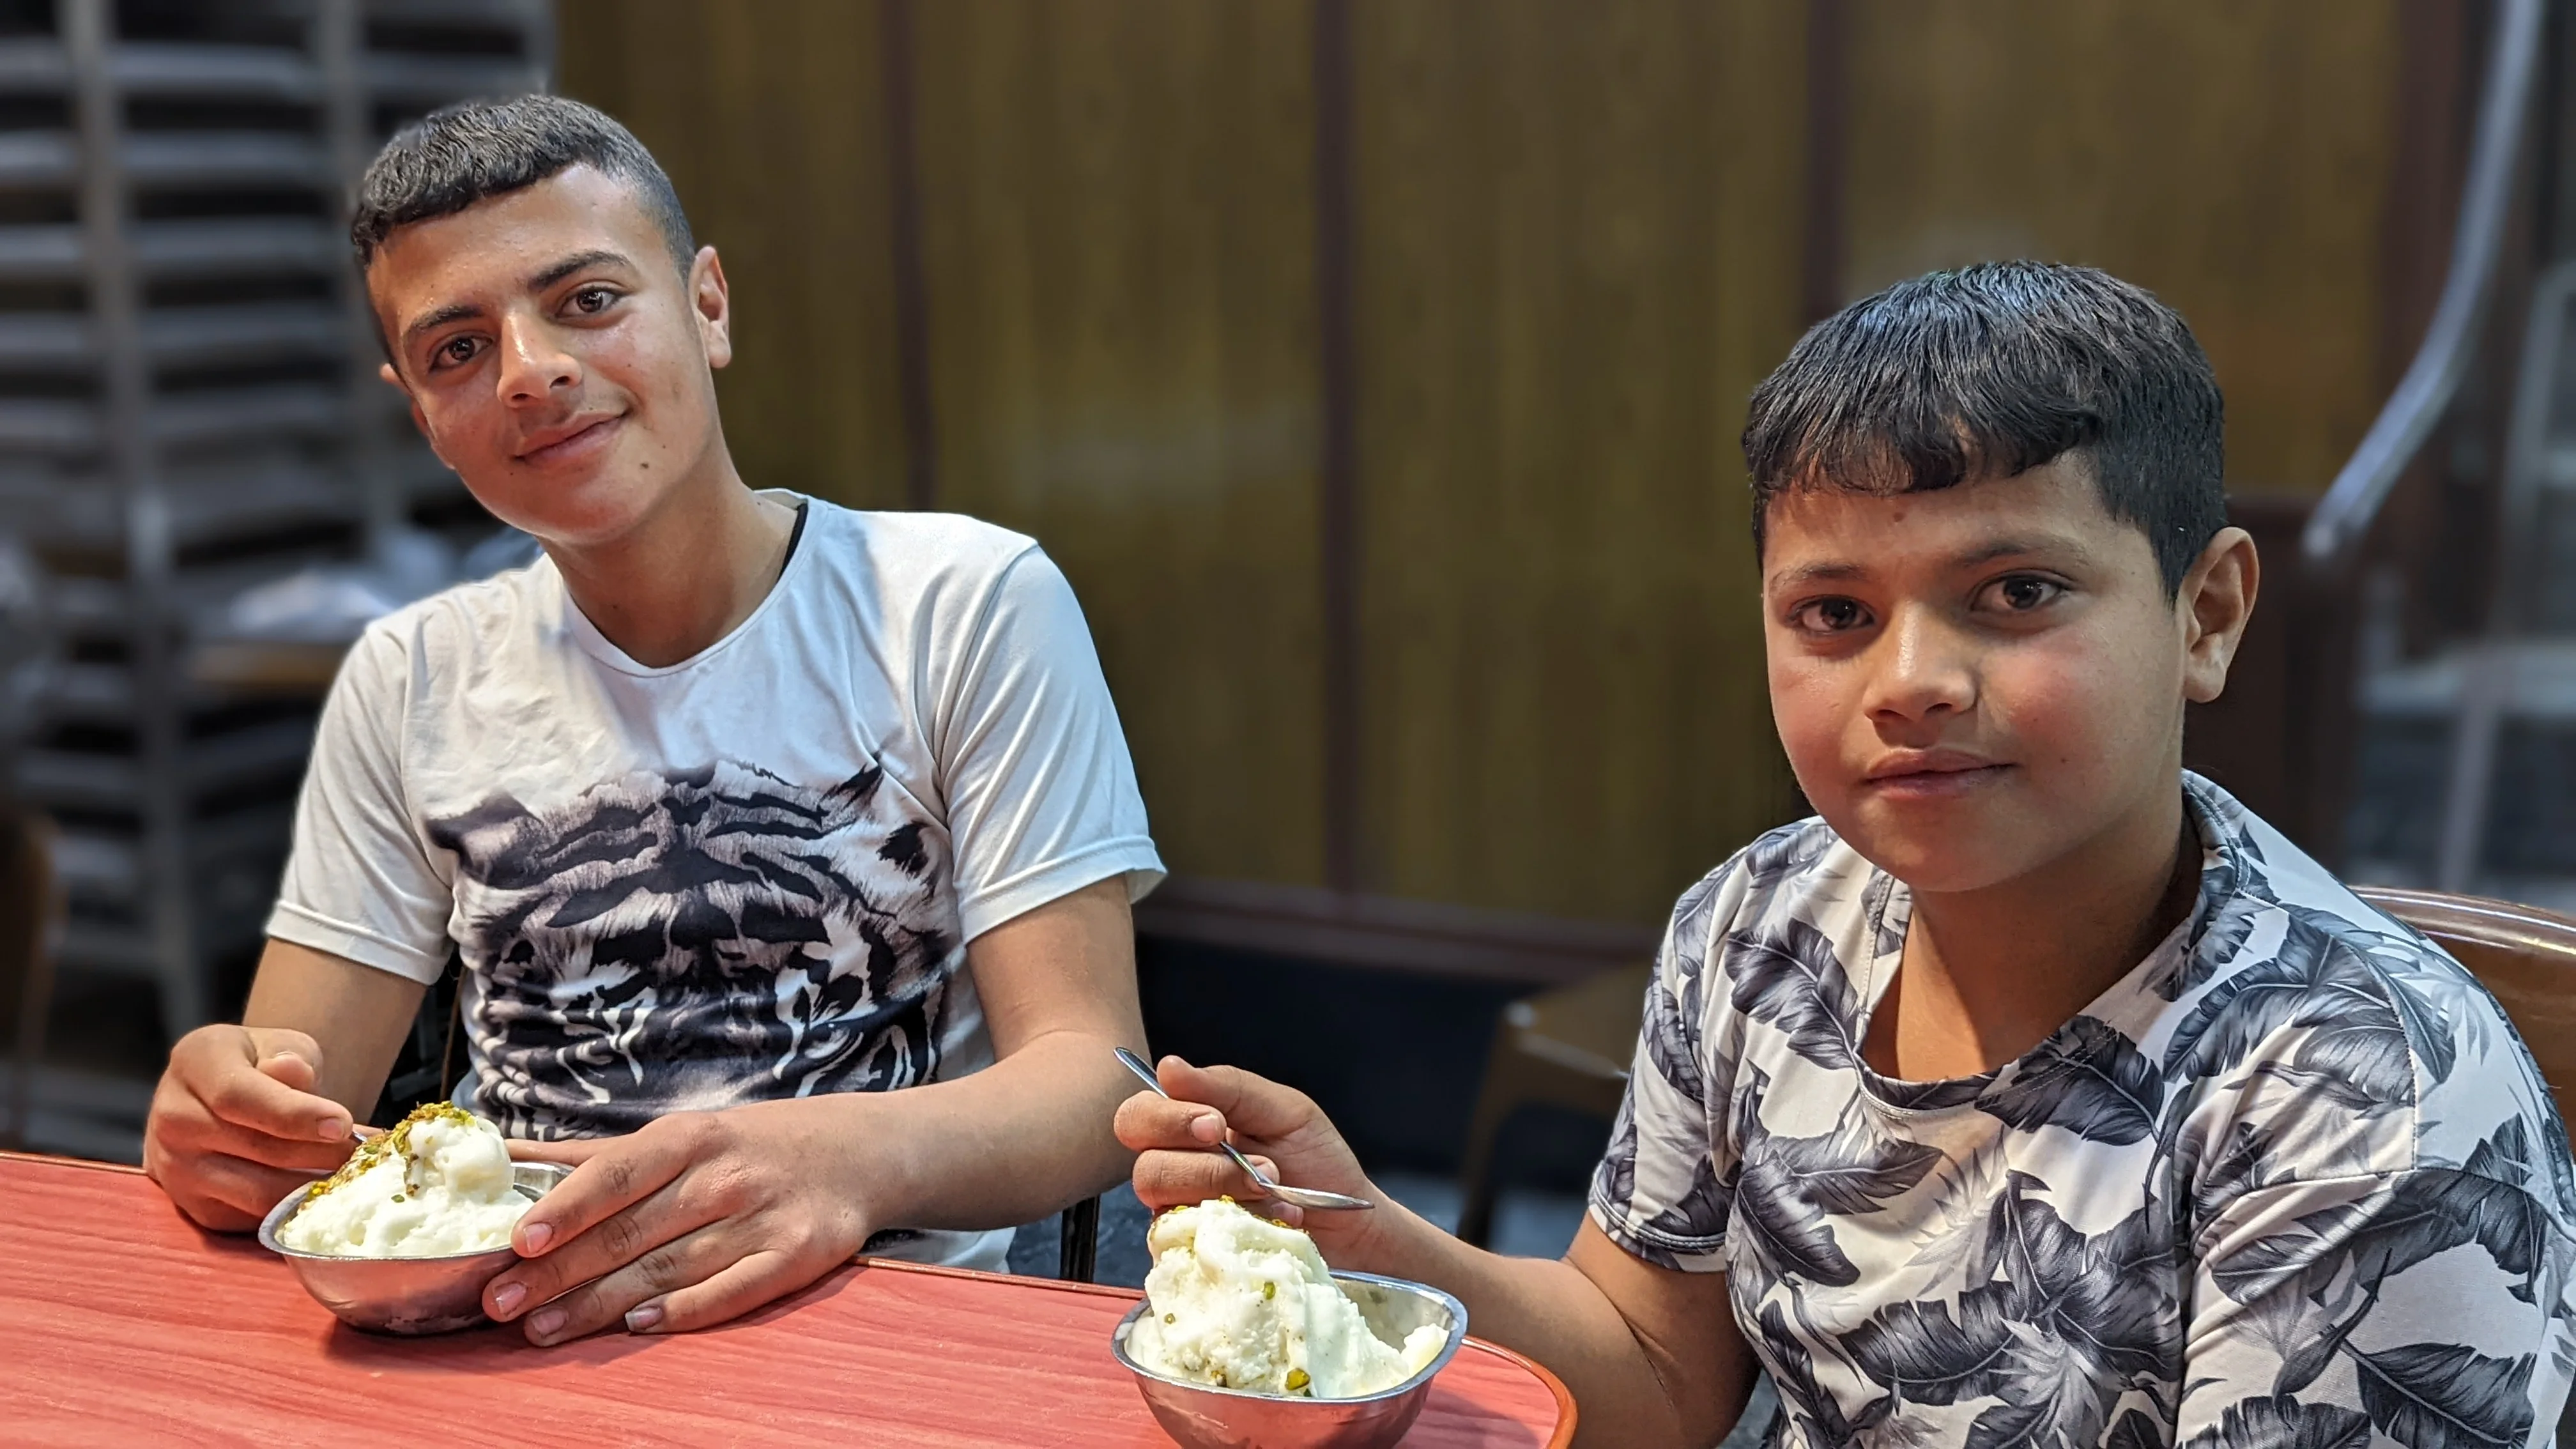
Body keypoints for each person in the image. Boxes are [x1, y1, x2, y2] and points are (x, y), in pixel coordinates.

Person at [1119, 263, 2576, 1447]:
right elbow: (1652, 1369)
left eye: (2015, 591)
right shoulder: (1761, 925)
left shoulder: (2363, 1099)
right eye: (1833, 614)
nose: (1910, 681)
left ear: (2205, 616)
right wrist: (1372, 1243)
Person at [142, 95, 1165, 1344]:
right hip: (507, 1320)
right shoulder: (409, 673)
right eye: (456, 349)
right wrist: (227, 1124)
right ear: (418, 408)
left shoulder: (962, 605)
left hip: (880, 1321)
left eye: (586, 300)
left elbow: (1092, 1082)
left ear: (708, 305)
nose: (532, 372)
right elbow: (291, 1105)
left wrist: (830, 1160)